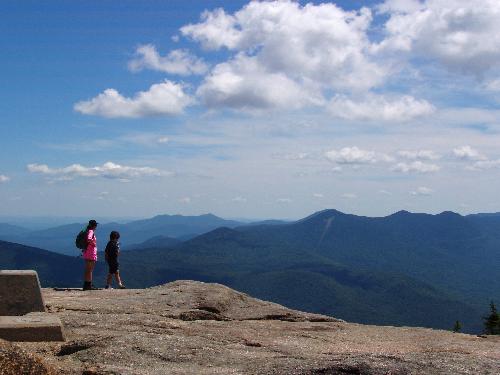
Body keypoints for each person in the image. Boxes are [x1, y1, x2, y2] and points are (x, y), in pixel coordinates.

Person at [82, 219, 98, 291]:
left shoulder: (86, 230)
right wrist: (93, 243)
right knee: (90, 269)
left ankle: (86, 284)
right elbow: (89, 239)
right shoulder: (91, 231)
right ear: (94, 226)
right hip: (90, 253)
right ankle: (89, 285)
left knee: (88, 269)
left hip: (87, 252)